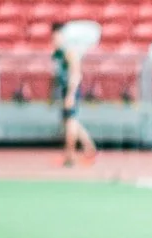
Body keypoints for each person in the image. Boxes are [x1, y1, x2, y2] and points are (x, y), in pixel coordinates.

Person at [51, 23, 98, 166]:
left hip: (71, 90)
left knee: (71, 122)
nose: (55, 40)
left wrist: (71, 95)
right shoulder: (57, 53)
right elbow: (55, 76)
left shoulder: (69, 52)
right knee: (71, 122)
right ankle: (90, 148)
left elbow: (76, 74)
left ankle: (70, 155)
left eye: (57, 36)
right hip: (65, 91)